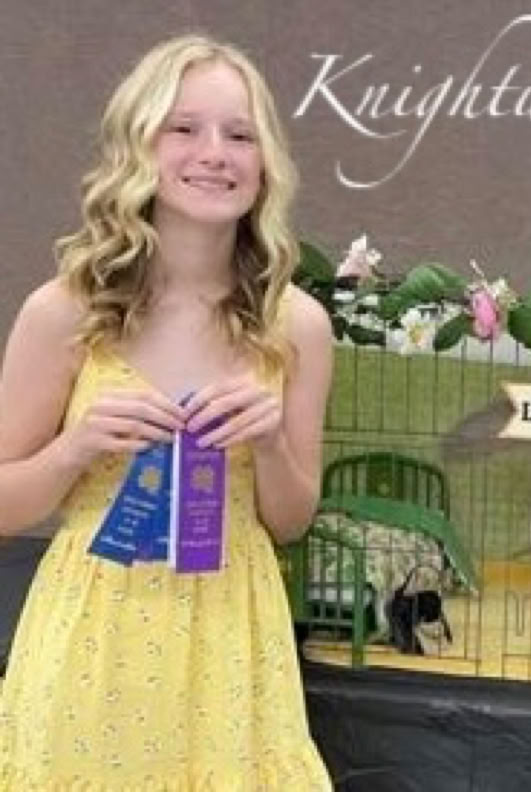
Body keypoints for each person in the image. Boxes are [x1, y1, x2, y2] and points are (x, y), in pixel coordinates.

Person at [0, 34, 334, 788]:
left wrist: (272, 444)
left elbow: (290, 520)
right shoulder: (64, 313)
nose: (214, 153)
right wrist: (73, 449)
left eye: (240, 135)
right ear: (138, 145)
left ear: (266, 163)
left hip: (234, 645)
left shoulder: (298, 326)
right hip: (93, 645)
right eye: (184, 128)